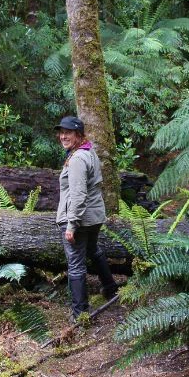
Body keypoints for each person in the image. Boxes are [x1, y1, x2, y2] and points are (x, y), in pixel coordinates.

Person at [55, 115, 118, 321]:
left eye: (68, 133)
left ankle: (80, 313)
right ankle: (110, 288)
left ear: (78, 134)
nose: (63, 136)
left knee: (75, 264)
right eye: (61, 132)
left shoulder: (77, 160)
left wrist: (71, 225)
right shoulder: (88, 151)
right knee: (93, 250)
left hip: (80, 220)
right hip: (94, 217)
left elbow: (78, 195)